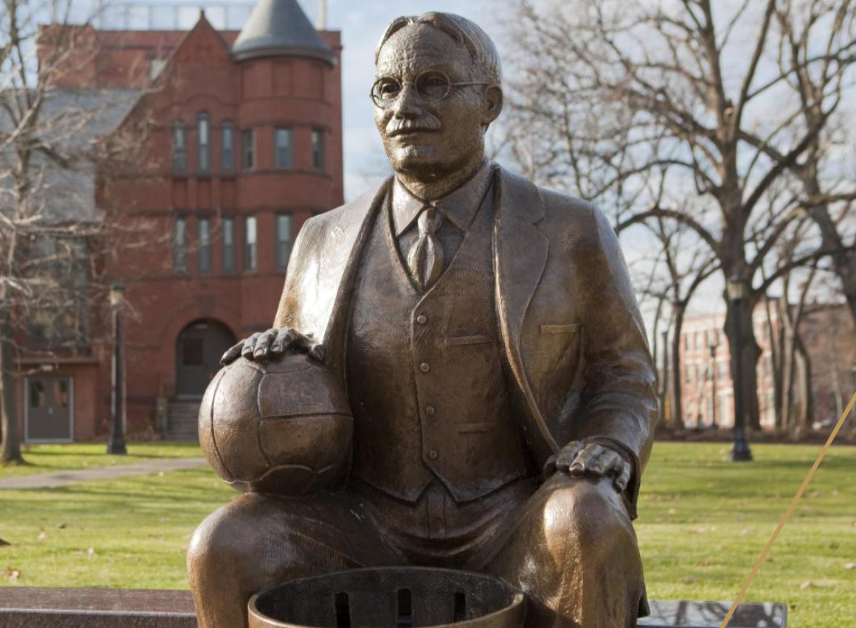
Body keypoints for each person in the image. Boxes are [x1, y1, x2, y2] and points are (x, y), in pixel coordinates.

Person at [189, 12, 658, 628]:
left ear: (489, 102)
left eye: (434, 84)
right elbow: (295, 398)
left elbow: (625, 377)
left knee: (587, 521)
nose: (406, 105)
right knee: (223, 546)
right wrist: (269, 371)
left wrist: (610, 444)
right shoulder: (321, 240)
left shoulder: (572, 231)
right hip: (361, 523)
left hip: (516, 519)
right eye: (388, 88)